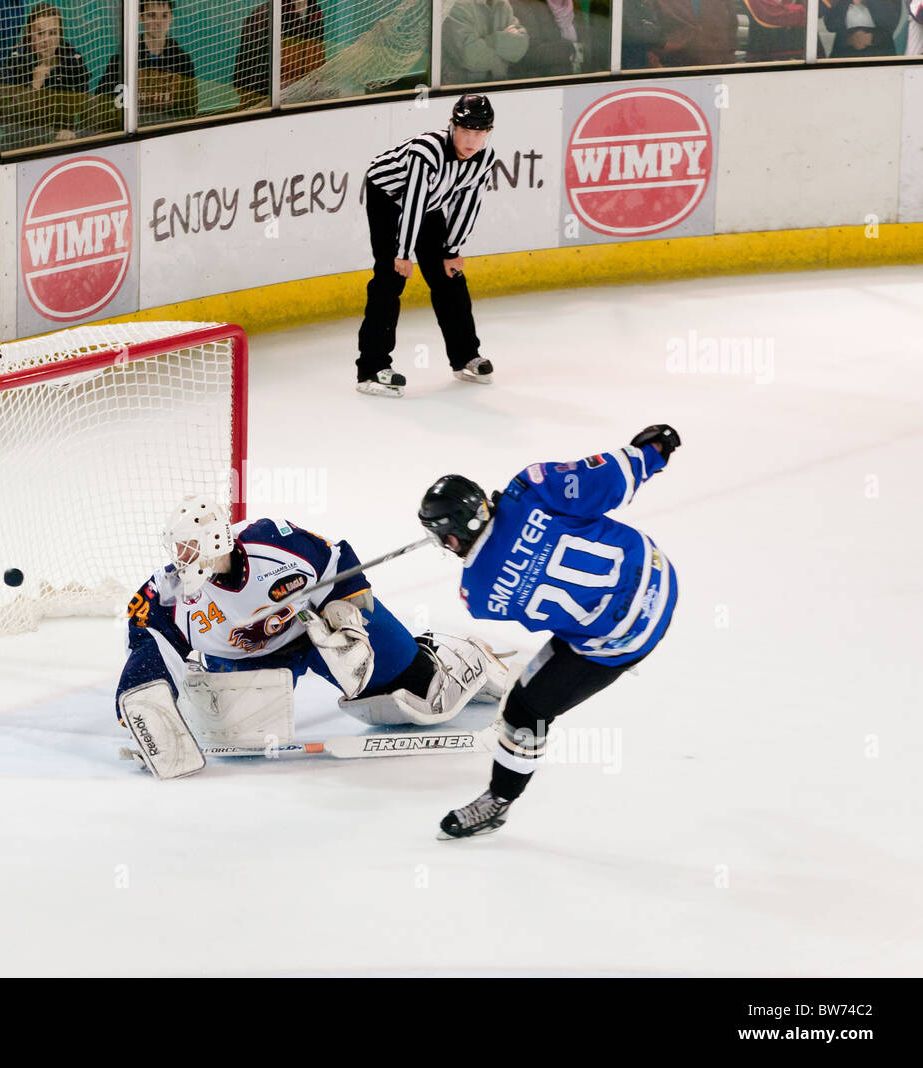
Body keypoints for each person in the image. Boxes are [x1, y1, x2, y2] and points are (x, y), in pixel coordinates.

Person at [116, 497, 508, 779]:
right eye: (178, 548)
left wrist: (345, 615)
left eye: (190, 547)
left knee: (423, 698)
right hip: (248, 658)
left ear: (217, 541)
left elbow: (336, 559)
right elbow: (146, 634)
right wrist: (142, 698)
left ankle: (460, 655)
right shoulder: (171, 590)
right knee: (244, 739)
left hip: (318, 629)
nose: (181, 557)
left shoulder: (272, 541)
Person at [417, 424, 681, 838]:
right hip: (658, 577)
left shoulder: (477, 594)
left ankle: (499, 801)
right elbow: (610, 480)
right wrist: (653, 452)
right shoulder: (532, 487)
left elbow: (511, 582)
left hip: (620, 640)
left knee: (525, 711)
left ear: (451, 536)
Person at [355, 93, 498, 398]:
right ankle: (371, 368)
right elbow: (413, 202)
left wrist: (451, 250)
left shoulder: (485, 158)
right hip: (390, 198)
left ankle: (465, 356)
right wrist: (403, 254)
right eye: (465, 132)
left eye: (479, 133)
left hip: (430, 203)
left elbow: (468, 203)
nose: (472, 140)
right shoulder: (427, 151)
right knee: (390, 277)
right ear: (452, 127)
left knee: (449, 277)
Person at [94, 0, 197, 128]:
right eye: (152, 15)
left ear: (171, 18)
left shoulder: (182, 60)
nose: (158, 23)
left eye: (164, 15)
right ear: (140, 17)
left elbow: (189, 110)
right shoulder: (123, 59)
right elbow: (102, 103)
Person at [0, 3, 90, 150]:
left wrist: (73, 131)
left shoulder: (72, 60)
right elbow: (6, 113)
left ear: (60, 34)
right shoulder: (14, 61)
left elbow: (87, 109)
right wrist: (34, 84)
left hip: (62, 144)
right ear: (29, 33)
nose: (46, 40)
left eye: (52, 33)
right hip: (20, 145)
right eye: (40, 33)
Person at [232, 0, 327, 109]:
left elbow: (317, 52)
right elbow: (250, 62)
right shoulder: (266, 14)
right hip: (264, 91)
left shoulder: (315, 12)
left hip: (300, 89)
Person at [441, 0, 530, 85]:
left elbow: (519, 48)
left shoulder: (503, 3)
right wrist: (504, 47)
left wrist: (488, 42)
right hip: (462, 89)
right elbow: (470, 57)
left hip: (500, 84)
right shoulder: (456, 4)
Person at [822, 0, 901, 57]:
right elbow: (831, 25)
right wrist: (850, 39)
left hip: (879, 54)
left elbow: (890, 23)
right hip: (845, 54)